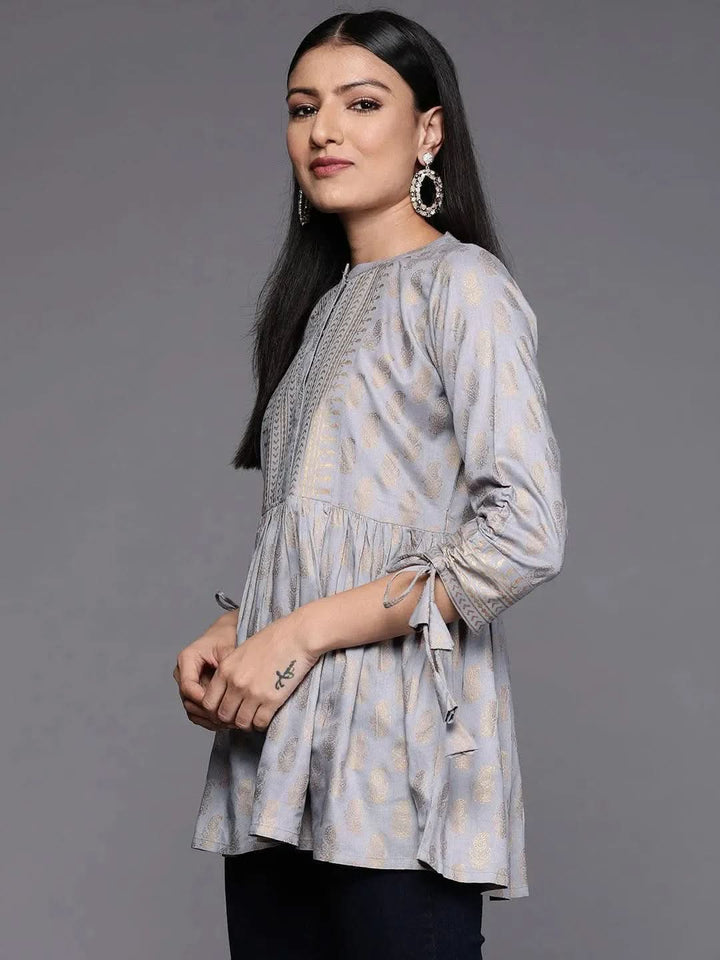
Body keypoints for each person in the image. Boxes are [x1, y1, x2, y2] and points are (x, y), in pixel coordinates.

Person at [172, 10, 568, 959]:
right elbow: (324, 524)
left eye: (360, 103)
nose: (324, 130)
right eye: (302, 107)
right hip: (278, 764)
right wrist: (244, 630)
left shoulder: (463, 286)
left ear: (428, 131)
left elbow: (525, 535)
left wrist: (301, 631)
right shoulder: (317, 310)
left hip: (397, 762)